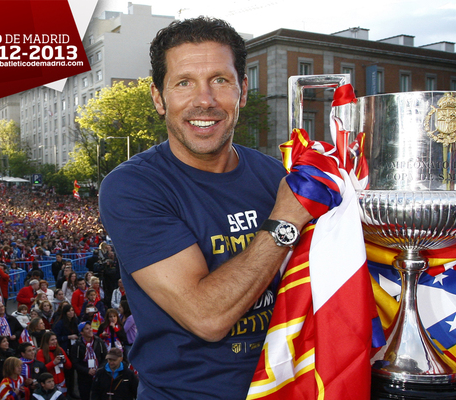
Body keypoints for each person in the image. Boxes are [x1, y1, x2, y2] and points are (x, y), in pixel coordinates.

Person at [98, 17, 312, 399]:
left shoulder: (275, 174)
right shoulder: (132, 187)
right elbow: (206, 316)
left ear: (242, 92)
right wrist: (286, 219)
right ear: (158, 98)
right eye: (184, 83)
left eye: (220, 80)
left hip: (289, 386)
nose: (205, 100)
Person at [69, 322, 106, 400]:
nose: (90, 330)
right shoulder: (77, 345)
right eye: (87, 329)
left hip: (98, 374)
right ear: (81, 332)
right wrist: (87, 370)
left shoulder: (99, 342)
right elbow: (75, 363)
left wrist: (100, 369)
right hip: (84, 377)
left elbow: (105, 358)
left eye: (90, 328)